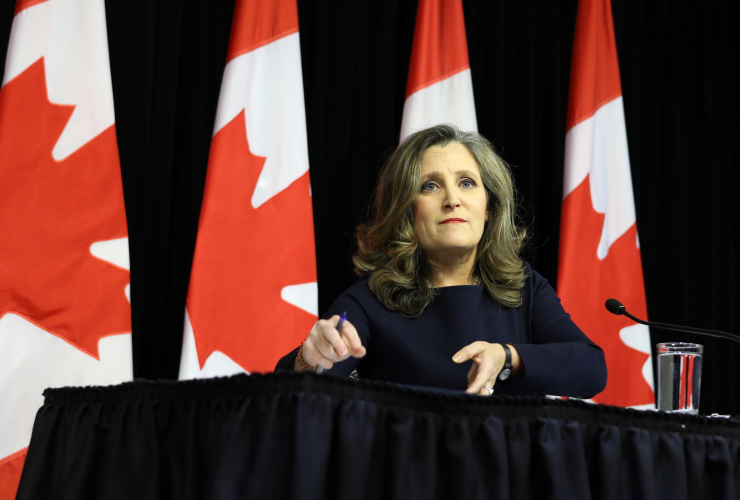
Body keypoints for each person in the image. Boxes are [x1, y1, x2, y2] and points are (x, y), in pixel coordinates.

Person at [276, 124, 607, 398]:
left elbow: (591, 369)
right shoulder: (373, 297)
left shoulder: (524, 288)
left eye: (467, 183)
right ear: (407, 211)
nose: (452, 200)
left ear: (488, 207)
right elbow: (292, 390)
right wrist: (310, 356)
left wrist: (506, 357)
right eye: (430, 186)